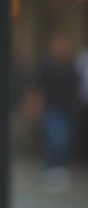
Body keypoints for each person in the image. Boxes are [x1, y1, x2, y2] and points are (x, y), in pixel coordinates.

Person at [30, 33, 78, 192]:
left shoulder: (70, 66)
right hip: (51, 108)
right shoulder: (45, 65)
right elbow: (38, 88)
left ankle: (59, 171)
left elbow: (75, 87)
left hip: (66, 109)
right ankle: (51, 169)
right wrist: (36, 105)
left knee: (63, 140)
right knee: (56, 139)